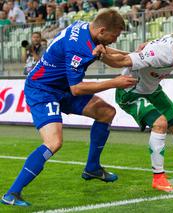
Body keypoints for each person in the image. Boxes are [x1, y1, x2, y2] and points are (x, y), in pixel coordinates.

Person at [1, 9, 137, 206]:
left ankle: (92, 168)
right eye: (113, 36)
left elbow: (107, 51)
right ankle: (11, 193)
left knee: (106, 112)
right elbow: (77, 88)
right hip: (43, 90)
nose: (114, 41)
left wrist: (135, 55)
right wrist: (114, 82)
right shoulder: (79, 47)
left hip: (61, 87)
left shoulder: (83, 27)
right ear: (102, 30)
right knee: (54, 142)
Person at [94, 27, 173, 192]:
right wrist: (101, 55)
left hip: (152, 90)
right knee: (160, 123)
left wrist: (146, 44)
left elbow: (168, 36)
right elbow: (120, 62)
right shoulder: (160, 55)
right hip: (130, 92)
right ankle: (158, 178)